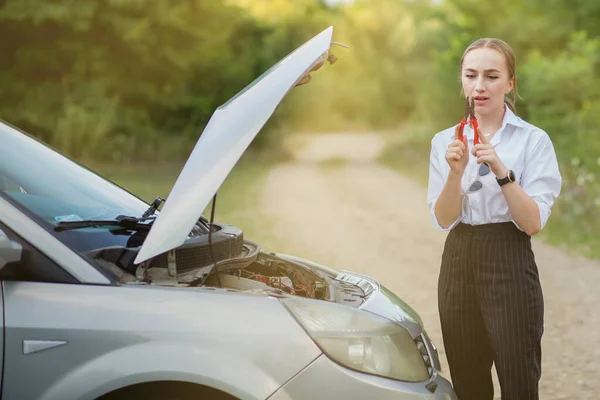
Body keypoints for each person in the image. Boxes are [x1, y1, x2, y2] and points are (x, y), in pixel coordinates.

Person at [427, 38, 562, 400]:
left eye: (491, 76)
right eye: (471, 75)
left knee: (519, 376)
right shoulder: (445, 141)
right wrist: (455, 173)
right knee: (468, 381)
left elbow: (532, 223)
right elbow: (443, 219)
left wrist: (501, 170)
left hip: (509, 253)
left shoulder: (533, 141)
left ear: (510, 82)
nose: (480, 86)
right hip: (459, 257)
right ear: (462, 80)